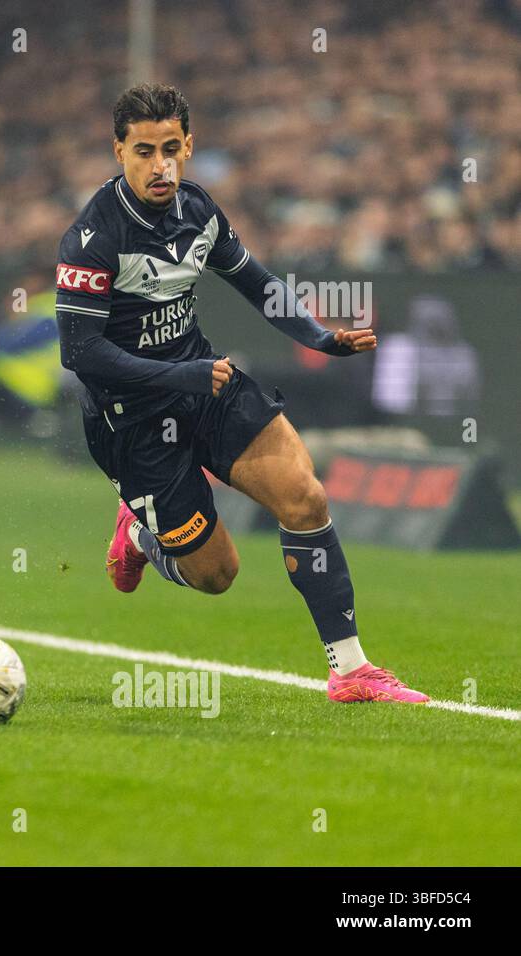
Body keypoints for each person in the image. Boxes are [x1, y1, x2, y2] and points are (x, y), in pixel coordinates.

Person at [56, 84, 427, 704]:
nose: (160, 165)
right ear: (117, 150)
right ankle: (140, 536)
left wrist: (319, 337)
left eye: (172, 148)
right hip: (133, 421)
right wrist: (179, 376)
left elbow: (256, 283)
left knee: (305, 497)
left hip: (207, 384)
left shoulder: (199, 210)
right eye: (144, 151)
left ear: (189, 147)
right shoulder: (92, 239)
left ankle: (351, 670)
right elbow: (82, 353)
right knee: (218, 574)